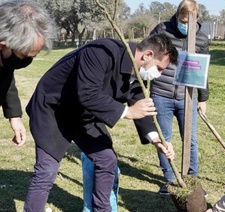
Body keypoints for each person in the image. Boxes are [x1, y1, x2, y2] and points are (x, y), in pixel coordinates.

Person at [23, 33, 178, 212]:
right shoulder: (101, 51)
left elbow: (140, 107)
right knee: (47, 171)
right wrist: (127, 112)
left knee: (107, 160)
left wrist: (156, 140)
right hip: (54, 110)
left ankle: (101, 209)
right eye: (159, 68)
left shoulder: (138, 75)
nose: (158, 75)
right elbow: (88, 93)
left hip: (85, 114)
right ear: (147, 55)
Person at [149, 0, 210, 195]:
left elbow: (204, 71)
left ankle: (192, 179)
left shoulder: (201, 39)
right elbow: (147, 54)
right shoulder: (162, 30)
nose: (185, 25)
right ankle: (169, 179)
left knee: (190, 140)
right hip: (161, 94)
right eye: (182, 20)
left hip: (188, 97)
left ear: (196, 19)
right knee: (164, 139)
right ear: (177, 16)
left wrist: (203, 98)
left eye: (188, 21)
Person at [0, 0, 55, 147]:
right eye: (24, 56)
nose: (26, 62)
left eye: (32, 57)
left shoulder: (5, 59)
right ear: (2, 45)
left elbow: (6, 77)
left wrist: (14, 116)